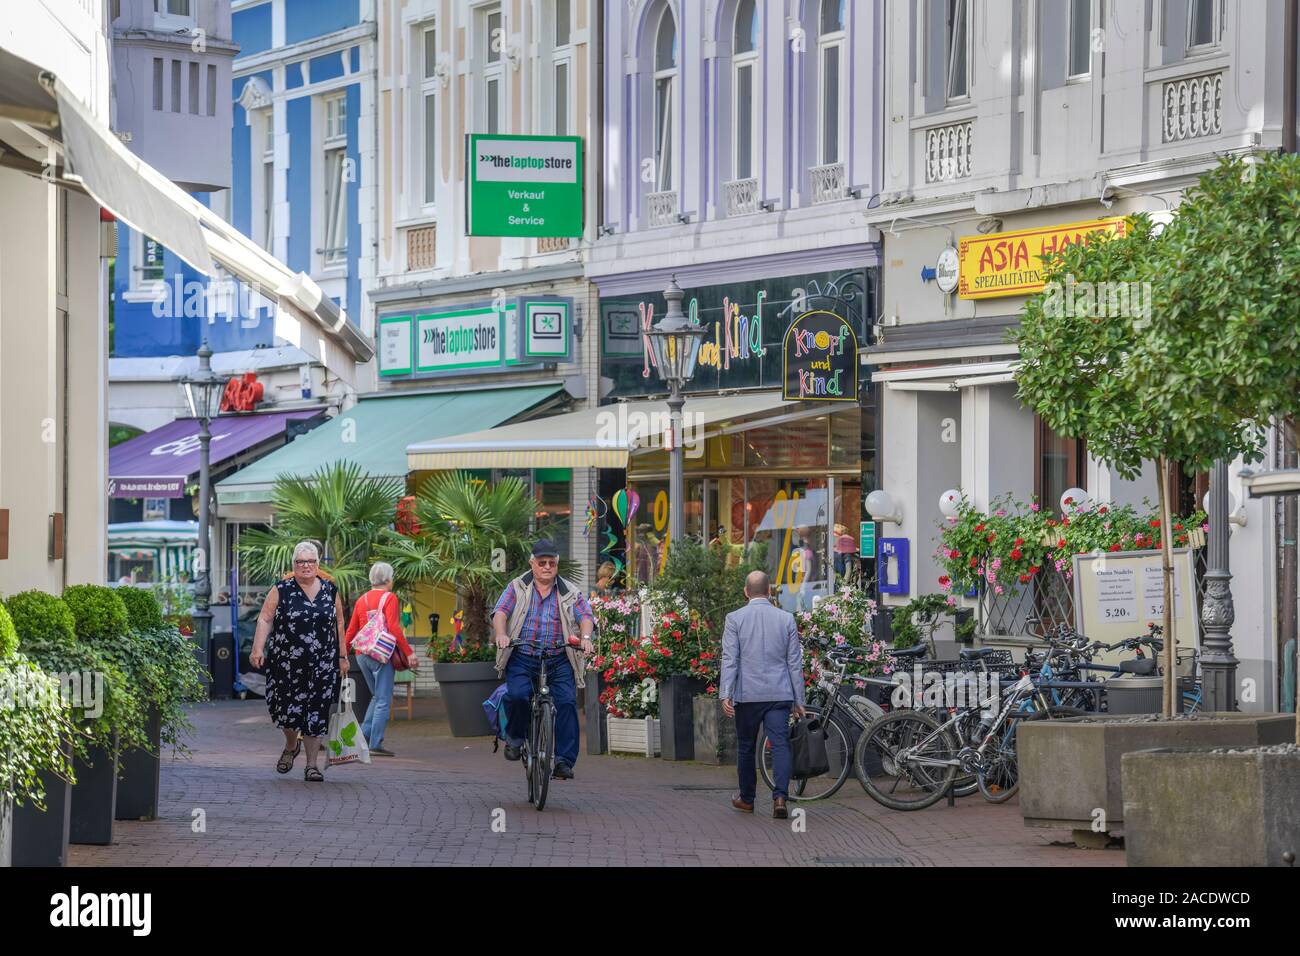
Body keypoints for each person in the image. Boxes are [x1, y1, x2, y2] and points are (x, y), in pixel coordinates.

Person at [492, 540, 595, 780]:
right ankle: (516, 738)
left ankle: (563, 761)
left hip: (558, 657)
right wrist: (501, 634)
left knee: (568, 703)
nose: (547, 567)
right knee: (517, 696)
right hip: (523, 655)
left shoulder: (570, 590)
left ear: (557, 564)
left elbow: (585, 615)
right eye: (542, 563)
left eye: (551, 563)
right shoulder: (517, 586)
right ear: (532, 564)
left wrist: (586, 637)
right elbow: (501, 612)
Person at [250, 540, 347, 782]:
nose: (306, 566)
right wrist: (257, 648)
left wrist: (342, 656)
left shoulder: (330, 590)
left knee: (317, 712)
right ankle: (292, 745)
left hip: (322, 663)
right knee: (285, 710)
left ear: (317, 564)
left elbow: (340, 624)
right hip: (286, 663)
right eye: (301, 562)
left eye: (310, 561)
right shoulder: (282, 589)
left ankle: (312, 766)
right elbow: (265, 618)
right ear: (293, 565)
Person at [720, 570, 806, 819]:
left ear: (746, 592)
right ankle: (780, 797)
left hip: (747, 694)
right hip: (779, 693)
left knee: (746, 747)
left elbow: (730, 659)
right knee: (780, 745)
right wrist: (799, 699)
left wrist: (726, 693)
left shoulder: (734, 619)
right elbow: (794, 663)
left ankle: (747, 799)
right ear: (769, 591)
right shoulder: (786, 619)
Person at [345, 561, 418, 757]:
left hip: (362, 655)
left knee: (377, 697)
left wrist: (343, 655)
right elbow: (394, 628)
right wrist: (409, 652)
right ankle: (375, 744)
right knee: (384, 700)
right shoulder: (390, 598)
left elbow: (351, 630)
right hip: (381, 655)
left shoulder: (362, 599)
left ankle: (361, 736)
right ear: (388, 579)